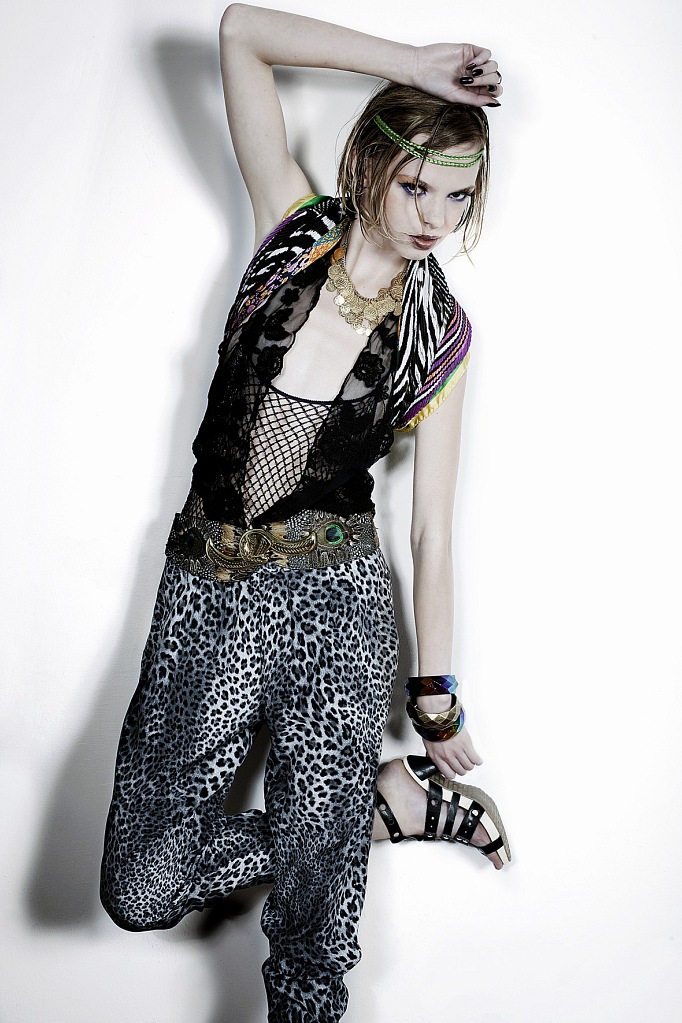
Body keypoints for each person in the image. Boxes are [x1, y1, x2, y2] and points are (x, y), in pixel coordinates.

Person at [100, 5, 511, 1021]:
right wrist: (415, 64)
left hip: (337, 604)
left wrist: (434, 698)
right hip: (206, 592)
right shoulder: (290, 229)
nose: (433, 215)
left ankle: (355, 819)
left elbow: (431, 531)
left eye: (457, 196)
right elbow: (240, 32)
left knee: (314, 946)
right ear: (369, 162)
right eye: (415, 184)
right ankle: (385, 804)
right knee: (139, 886)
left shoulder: (442, 336)